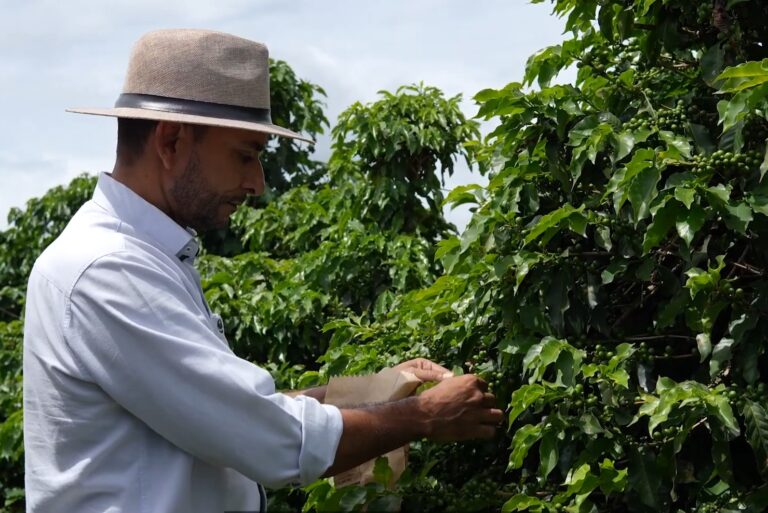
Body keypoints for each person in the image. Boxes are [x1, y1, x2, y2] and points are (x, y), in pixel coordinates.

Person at [22, 29, 502, 513]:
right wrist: (422, 416)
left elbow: (228, 410)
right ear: (171, 140)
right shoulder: (110, 269)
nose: (256, 183)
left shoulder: (145, 257)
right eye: (245, 155)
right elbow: (268, 440)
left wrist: (380, 390)